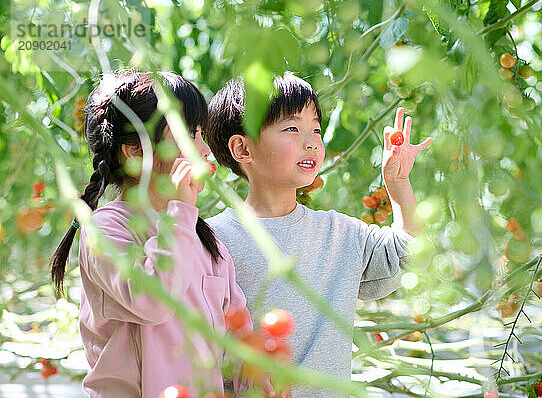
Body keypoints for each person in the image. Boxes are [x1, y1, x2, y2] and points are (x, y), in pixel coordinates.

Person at [204, 73, 432, 397]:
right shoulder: (214, 240)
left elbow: (411, 257)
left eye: (315, 129)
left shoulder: (340, 233)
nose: (311, 141)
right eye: (292, 128)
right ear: (242, 148)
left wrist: (399, 186)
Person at [49, 71, 249, 398]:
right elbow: (153, 301)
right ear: (135, 151)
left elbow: (236, 332)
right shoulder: (105, 228)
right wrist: (181, 212)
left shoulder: (203, 237)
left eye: (202, 133)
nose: (204, 148)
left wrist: (254, 380)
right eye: (188, 133)